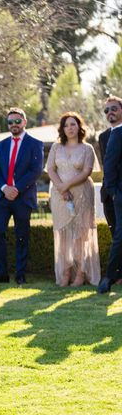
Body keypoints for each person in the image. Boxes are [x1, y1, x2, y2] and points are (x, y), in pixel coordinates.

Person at [0, 107, 44, 285]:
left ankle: (20, 275)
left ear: (24, 122)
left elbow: (36, 171)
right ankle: (1, 273)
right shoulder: (2, 145)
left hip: (23, 197)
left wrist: (16, 188)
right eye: (10, 122)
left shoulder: (35, 143)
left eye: (17, 121)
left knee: (22, 236)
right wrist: (3, 187)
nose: (14, 125)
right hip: (2, 197)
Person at [46, 112, 100, 287]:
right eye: (66, 125)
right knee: (63, 234)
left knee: (80, 235)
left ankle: (81, 273)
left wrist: (65, 185)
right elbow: (51, 169)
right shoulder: (56, 147)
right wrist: (61, 189)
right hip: (60, 196)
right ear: (62, 129)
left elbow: (86, 172)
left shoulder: (87, 149)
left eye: (73, 124)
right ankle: (66, 271)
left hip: (82, 193)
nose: (70, 128)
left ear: (79, 127)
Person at [98, 97, 122, 294]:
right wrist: (113, 192)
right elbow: (109, 164)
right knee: (118, 236)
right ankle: (112, 276)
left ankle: (111, 277)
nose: (110, 113)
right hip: (115, 194)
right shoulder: (107, 135)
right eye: (106, 111)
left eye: (113, 109)